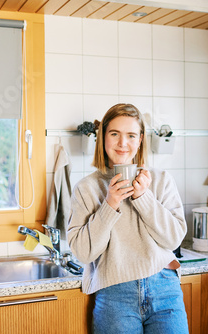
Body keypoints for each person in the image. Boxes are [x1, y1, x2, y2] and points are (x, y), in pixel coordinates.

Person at [67, 103, 188, 333]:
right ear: (103, 137)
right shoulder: (86, 188)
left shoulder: (161, 180)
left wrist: (144, 197)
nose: (123, 143)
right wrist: (110, 204)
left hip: (164, 287)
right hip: (114, 293)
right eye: (115, 134)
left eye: (131, 135)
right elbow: (83, 252)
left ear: (140, 139)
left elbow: (173, 239)